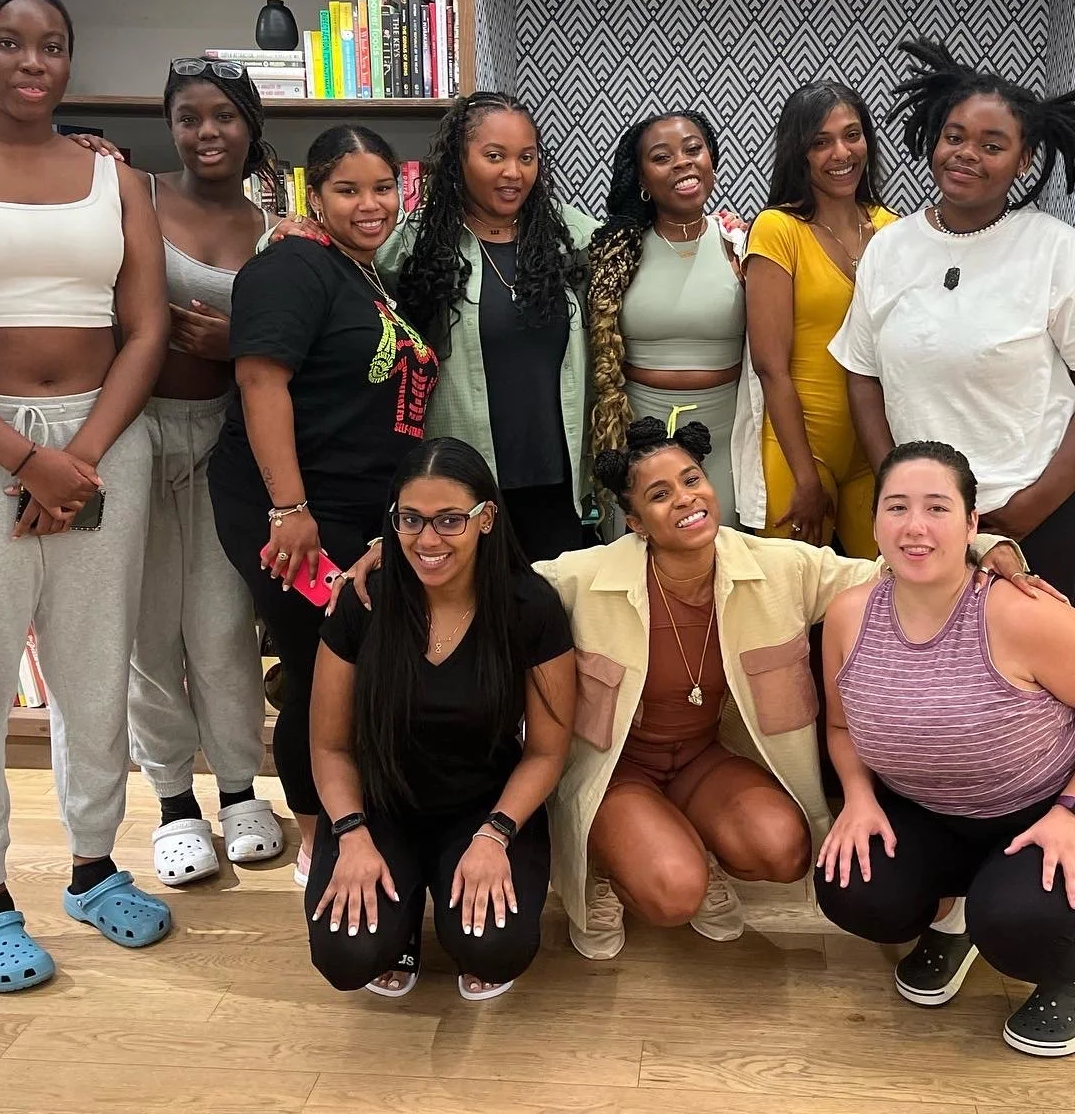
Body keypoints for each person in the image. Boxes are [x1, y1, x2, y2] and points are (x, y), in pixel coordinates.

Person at [533, 417, 1039, 961]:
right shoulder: (581, 577)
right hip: (619, 769)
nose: (684, 498)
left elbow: (887, 571)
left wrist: (982, 544)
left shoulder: (780, 566)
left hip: (702, 759)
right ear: (635, 522)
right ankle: (603, 866)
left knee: (784, 849)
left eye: (692, 479)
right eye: (660, 495)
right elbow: (508, 592)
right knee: (673, 894)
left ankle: (686, 840)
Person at [0, 0, 172, 993]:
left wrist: (77, 455)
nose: (33, 61)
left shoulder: (114, 178)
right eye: (9, 42)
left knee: (95, 669)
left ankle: (93, 865)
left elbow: (148, 329)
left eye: (51, 44)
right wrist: (23, 457)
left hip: (101, 440)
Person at [816, 441, 1075, 1058]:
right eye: (897, 507)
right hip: (940, 816)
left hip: (1071, 810)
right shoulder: (847, 616)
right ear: (873, 523)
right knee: (851, 886)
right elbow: (842, 730)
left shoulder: (1023, 613)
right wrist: (859, 799)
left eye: (937, 508)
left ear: (972, 524)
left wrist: (1073, 812)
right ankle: (958, 917)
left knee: (1017, 919)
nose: (915, 526)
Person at [831, 38, 1075, 603]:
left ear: (1024, 160)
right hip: (927, 518)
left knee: (1030, 657)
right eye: (954, 137)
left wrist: (1030, 507)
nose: (966, 154)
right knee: (931, 652)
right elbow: (863, 374)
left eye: (992, 145)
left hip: (1041, 508)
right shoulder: (888, 248)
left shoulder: (1056, 249)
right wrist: (895, 485)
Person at [209, 125, 436, 890]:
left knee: (356, 669)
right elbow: (260, 381)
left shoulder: (363, 273)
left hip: (352, 511)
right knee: (320, 672)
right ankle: (317, 841)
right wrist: (289, 508)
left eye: (383, 187)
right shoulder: (291, 266)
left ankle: (361, 818)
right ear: (316, 194)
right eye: (348, 189)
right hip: (293, 514)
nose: (370, 204)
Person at [264, 94, 596, 560]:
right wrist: (282, 231)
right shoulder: (418, 241)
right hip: (457, 484)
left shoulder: (569, 237)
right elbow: (342, 262)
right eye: (494, 156)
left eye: (527, 157)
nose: (513, 172)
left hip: (556, 481)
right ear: (459, 161)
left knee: (550, 601)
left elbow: (638, 251)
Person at [308, 438, 574, 1000]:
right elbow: (329, 746)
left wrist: (496, 835)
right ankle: (400, 922)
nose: (428, 540)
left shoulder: (529, 606)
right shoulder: (365, 600)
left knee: (495, 948)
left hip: (484, 804)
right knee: (347, 955)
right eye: (411, 520)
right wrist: (351, 834)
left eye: (450, 520)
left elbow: (547, 750)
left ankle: (440, 893)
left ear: (486, 519)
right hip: (379, 804)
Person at [132, 59, 286, 887]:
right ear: (170, 125)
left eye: (223, 115)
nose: (206, 133)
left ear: (250, 124)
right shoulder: (132, 197)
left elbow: (285, 347)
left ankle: (238, 789)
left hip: (228, 442)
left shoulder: (279, 228)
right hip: (135, 432)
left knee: (224, 626)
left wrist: (238, 343)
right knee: (148, 630)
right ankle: (171, 803)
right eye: (188, 117)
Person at [741, 81, 898, 556]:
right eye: (821, 142)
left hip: (877, 449)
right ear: (799, 153)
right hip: (801, 451)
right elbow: (770, 367)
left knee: (890, 588)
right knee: (791, 594)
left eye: (852, 135)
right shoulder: (777, 229)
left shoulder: (893, 229)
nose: (841, 153)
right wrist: (806, 478)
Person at [587, 110, 744, 530]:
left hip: (726, 432)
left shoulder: (741, 243)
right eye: (662, 157)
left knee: (723, 550)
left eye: (693, 149)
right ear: (641, 178)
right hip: (636, 432)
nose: (682, 162)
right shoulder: (616, 254)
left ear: (711, 160)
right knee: (638, 551)